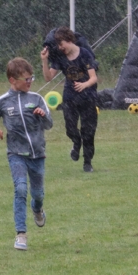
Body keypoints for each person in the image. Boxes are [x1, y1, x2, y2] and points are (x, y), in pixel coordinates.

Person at [0, 58, 53, 251]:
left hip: (38, 155)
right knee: (20, 189)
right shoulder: (2, 102)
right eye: (26, 79)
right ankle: (21, 234)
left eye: (32, 78)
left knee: (37, 194)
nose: (30, 82)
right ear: (12, 80)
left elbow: (49, 124)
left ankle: (37, 209)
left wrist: (43, 116)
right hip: (16, 154)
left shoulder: (37, 99)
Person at [40, 27, 99, 173]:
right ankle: (76, 142)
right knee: (70, 128)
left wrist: (84, 85)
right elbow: (48, 78)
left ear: (69, 40)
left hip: (88, 96)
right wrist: (44, 60)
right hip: (70, 97)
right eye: (58, 45)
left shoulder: (84, 54)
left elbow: (93, 78)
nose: (60, 48)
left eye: (61, 44)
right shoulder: (60, 57)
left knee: (88, 131)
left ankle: (87, 162)